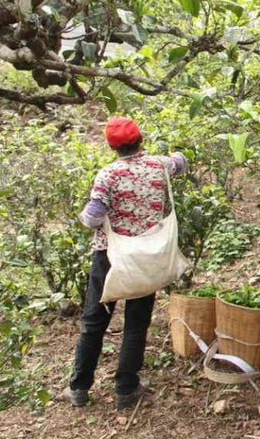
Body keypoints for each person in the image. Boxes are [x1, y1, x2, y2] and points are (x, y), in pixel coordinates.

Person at [62, 117, 189, 409]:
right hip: (148, 255)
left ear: (111, 146)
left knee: (94, 321)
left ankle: (79, 388)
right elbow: (180, 162)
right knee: (136, 322)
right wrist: (177, 153)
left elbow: (93, 217)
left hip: (110, 257)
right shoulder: (159, 166)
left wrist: (86, 218)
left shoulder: (108, 175)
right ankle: (126, 389)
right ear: (140, 139)